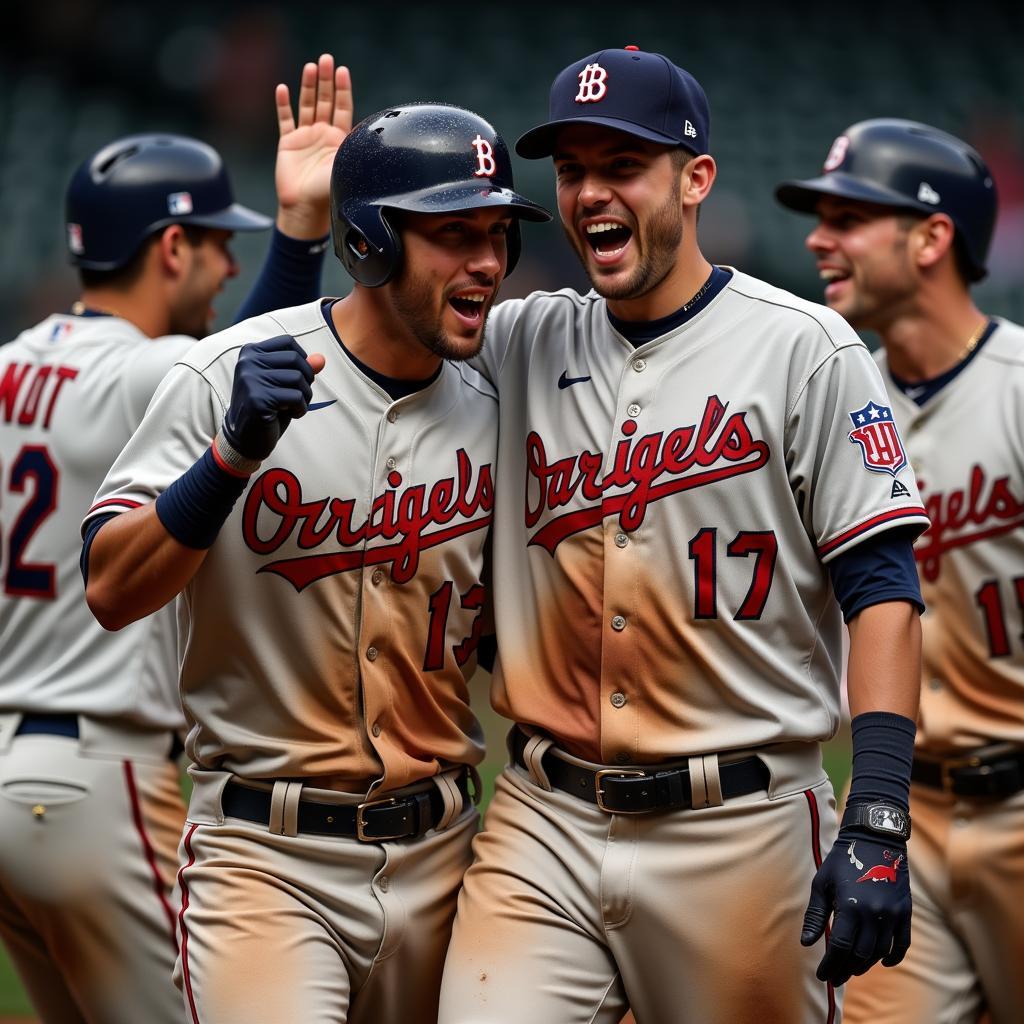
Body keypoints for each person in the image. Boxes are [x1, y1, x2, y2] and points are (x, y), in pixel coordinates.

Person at [437, 48, 931, 1024]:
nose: (589, 192)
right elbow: (334, 366)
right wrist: (300, 236)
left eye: (621, 165)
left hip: (738, 830)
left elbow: (883, 587)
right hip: (545, 819)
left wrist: (876, 811)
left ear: (694, 177)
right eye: (571, 169)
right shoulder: (517, 340)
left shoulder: (801, 347)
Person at [81, 102, 549, 1023]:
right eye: (455, 234)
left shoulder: (501, 406)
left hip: (449, 855)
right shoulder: (223, 377)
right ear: (370, 244)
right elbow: (109, 588)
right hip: (265, 857)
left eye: (497, 235)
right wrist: (228, 458)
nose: (488, 263)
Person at [0, 53, 351, 1024]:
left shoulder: (11, 366)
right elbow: (252, 366)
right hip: (102, 778)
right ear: (168, 249)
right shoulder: (148, 374)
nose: (229, 262)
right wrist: (299, 233)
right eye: (213, 242)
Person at [777, 118, 1024, 1024]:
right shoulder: (836, 400)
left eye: (849, 217)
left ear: (931, 239)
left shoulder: (1017, 388)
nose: (817, 238)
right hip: (901, 814)